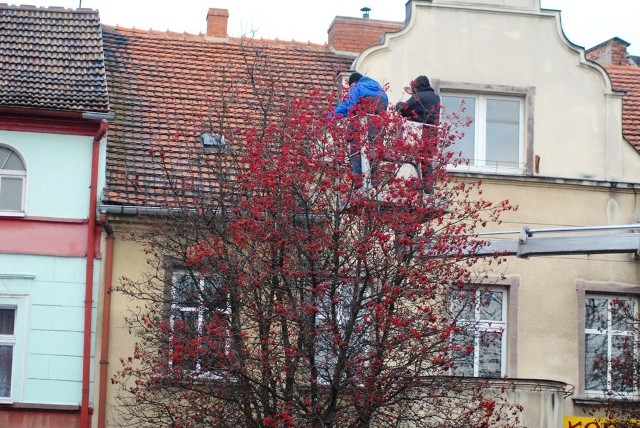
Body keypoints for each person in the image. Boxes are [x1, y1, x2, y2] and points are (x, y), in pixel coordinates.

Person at [329, 72, 389, 183]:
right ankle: (374, 183)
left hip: (360, 125)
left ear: (354, 83)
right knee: (374, 153)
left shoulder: (357, 87)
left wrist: (330, 117)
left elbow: (348, 106)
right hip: (377, 127)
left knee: (356, 149)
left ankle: (357, 180)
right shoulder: (381, 91)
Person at [394, 75, 440, 192]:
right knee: (426, 162)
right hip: (432, 133)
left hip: (419, 132)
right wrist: (414, 94)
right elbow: (420, 107)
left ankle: (417, 189)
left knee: (414, 160)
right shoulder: (435, 97)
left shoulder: (419, 97)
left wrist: (399, 103)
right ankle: (428, 191)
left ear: (417, 86)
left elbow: (403, 109)